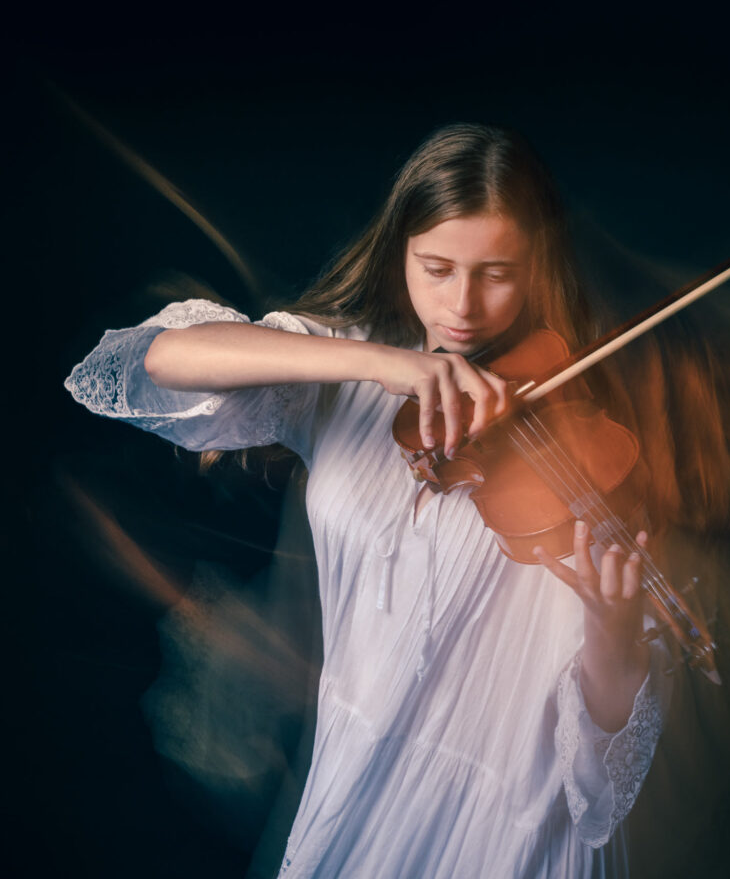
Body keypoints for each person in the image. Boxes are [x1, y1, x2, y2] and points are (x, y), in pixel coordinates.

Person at [65, 123, 679, 878]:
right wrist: (380, 362)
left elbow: (599, 774)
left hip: (497, 831)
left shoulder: (575, 433)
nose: (463, 305)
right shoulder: (341, 375)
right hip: (353, 777)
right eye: (437, 268)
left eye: (497, 272)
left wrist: (614, 629)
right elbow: (143, 363)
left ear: (537, 267)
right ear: (401, 252)